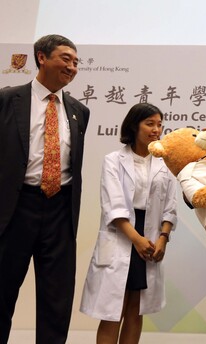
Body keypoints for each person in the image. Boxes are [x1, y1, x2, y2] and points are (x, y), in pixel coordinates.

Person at [0, 34, 89, 344]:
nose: (73, 67)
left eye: (76, 62)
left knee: (57, 301)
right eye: (66, 58)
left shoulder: (79, 111)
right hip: (14, 210)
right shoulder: (8, 99)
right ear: (41, 57)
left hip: (60, 212)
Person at [80, 103, 177, 344]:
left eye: (159, 124)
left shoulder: (165, 163)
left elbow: (170, 206)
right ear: (134, 126)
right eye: (150, 124)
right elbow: (113, 205)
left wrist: (163, 238)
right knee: (114, 311)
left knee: (136, 308)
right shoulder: (114, 160)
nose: (156, 130)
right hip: (123, 234)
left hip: (151, 237)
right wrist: (136, 239)